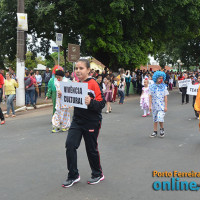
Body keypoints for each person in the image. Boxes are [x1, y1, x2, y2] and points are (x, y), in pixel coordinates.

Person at [62, 59, 105, 188]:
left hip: (91, 121)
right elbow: (72, 100)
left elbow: (101, 103)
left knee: (91, 149)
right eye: (76, 68)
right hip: (77, 120)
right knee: (70, 145)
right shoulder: (75, 84)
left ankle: (97, 174)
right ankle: (73, 175)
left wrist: (90, 102)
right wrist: (63, 94)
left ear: (88, 70)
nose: (78, 71)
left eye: (81, 68)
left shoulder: (93, 83)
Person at [149, 71, 169, 138]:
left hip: (161, 106)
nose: (161, 79)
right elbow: (150, 96)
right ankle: (155, 131)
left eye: (162, 78)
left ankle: (161, 129)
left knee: (160, 118)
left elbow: (165, 97)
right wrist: (149, 105)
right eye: (159, 78)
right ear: (156, 78)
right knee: (155, 119)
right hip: (154, 106)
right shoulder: (152, 87)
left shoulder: (164, 87)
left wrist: (165, 106)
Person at [51, 68, 71, 133]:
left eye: (57, 76)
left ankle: (65, 127)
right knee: (57, 112)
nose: (56, 77)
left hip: (65, 100)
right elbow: (57, 89)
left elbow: (70, 90)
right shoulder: (56, 81)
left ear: (60, 75)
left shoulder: (67, 81)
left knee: (65, 113)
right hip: (58, 100)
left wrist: (63, 93)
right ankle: (56, 126)